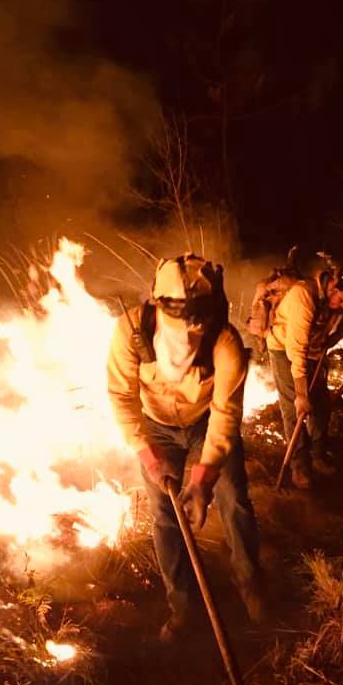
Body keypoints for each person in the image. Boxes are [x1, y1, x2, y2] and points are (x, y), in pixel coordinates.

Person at [107, 254, 263, 642]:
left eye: (200, 319)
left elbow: (226, 413)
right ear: (159, 304)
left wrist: (203, 478)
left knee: (233, 496)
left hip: (206, 422)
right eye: (182, 319)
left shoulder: (225, 342)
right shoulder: (131, 330)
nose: (191, 329)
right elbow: (121, 396)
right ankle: (183, 607)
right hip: (157, 428)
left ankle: (250, 585)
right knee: (165, 515)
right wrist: (149, 457)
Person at [266, 256, 343, 489]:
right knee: (294, 407)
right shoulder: (303, 295)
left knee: (321, 404)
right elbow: (297, 350)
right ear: (334, 286)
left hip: (315, 346)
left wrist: (332, 339)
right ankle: (300, 465)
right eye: (341, 300)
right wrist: (301, 394)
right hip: (284, 347)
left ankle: (318, 454)